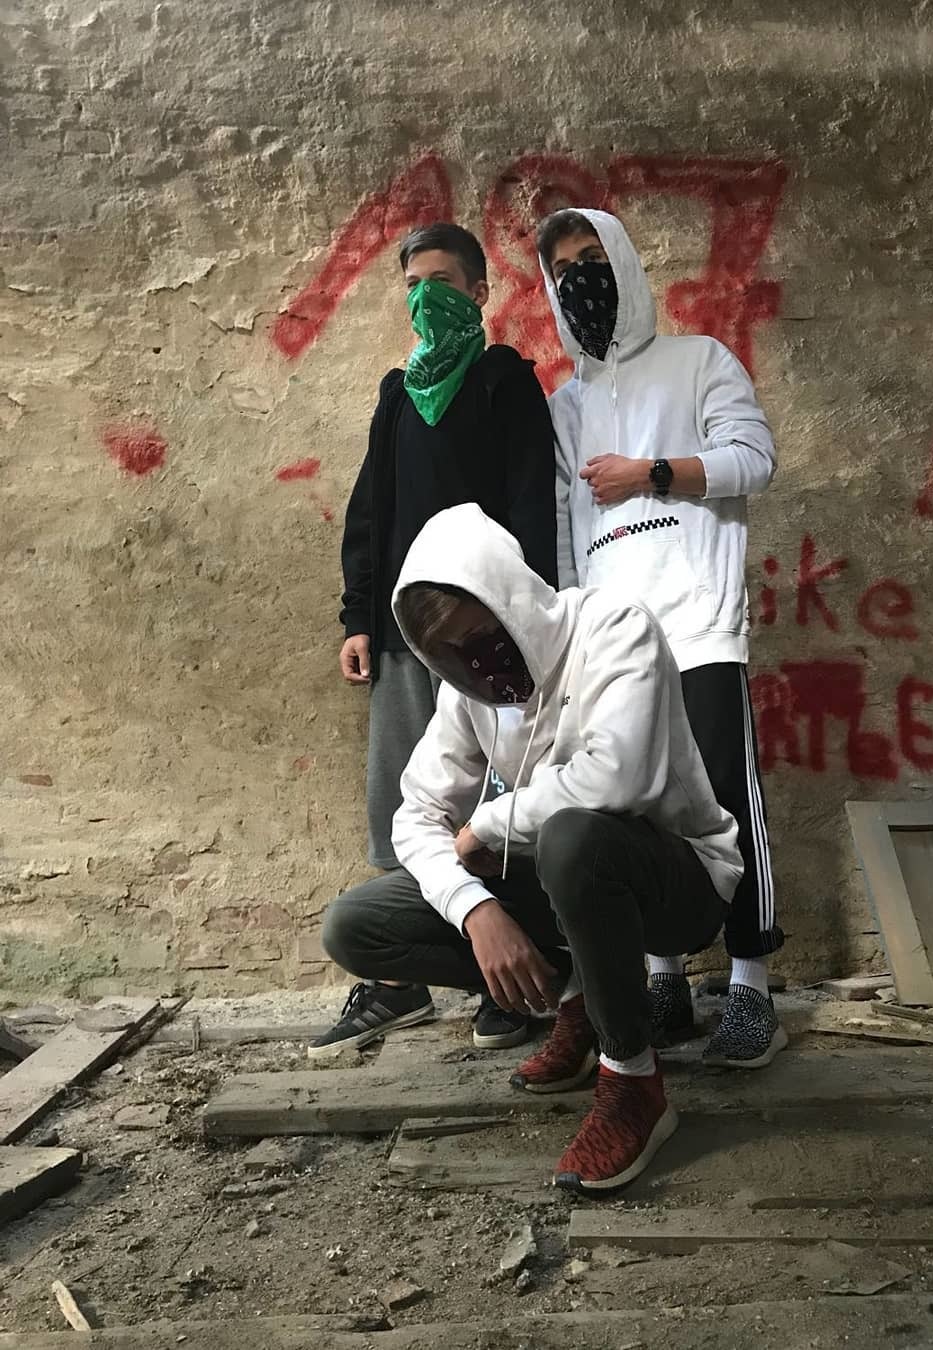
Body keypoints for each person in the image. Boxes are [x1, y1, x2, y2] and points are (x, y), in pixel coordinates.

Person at [321, 504, 742, 1191]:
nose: (474, 662)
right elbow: (415, 815)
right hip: (563, 881)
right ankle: (577, 1001)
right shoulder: (469, 693)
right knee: (358, 925)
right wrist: (476, 912)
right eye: (449, 652)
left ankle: (633, 1080)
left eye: (479, 637)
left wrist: (488, 825)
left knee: (573, 836)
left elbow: (619, 777)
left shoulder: (614, 627)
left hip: (678, 881)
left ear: (512, 600)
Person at [536, 208, 785, 1068]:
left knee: (724, 799)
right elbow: (565, 531)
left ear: (625, 264)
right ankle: (664, 976)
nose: (580, 278)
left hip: (697, 620)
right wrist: (572, 639)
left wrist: (650, 473)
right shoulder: (566, 405)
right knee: (629, 804)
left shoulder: (700, 361)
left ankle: (751, 984)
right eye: (563, 269)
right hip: (612, 643)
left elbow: (754, 459)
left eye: (592, 258)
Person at [309, 223, 558, 1062]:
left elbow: (533, 505)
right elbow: (370, 511)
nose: (427, 298)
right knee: (401, 799)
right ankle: (398, 980)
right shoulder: (397, 394)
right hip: (400, 631)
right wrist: (358, 617)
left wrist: (530, 624)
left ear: (480, 292)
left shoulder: (503, 382)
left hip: (487, 633)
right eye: (414, 284)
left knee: (493, 797)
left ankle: (508, 979)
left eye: (443, 281)